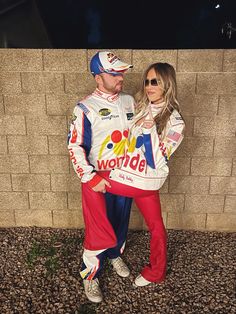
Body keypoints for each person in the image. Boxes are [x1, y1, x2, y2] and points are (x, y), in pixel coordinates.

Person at [86, 62, 185, 288]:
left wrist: (150, 130)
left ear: (167, 85)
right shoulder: (141, 106)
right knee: (157, 226)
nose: (149, 87)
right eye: (147, 81)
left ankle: (104, 244)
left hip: (145, 181)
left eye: (156, 82)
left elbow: (157, 159)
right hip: (128, 175)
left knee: (91, 181)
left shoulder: (175, 121)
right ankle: (147, 267)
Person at [67, 51, 135, 303]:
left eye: (121, 72)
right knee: (98, 230)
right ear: (98, 77)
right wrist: (90, 177)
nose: (121, 77)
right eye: (114, 73)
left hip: (125, 176)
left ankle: (115, 253)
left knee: (120, 221)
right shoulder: (85, 107)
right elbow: (74, 146)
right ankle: (90, 274)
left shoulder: (129, 100)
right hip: (97, 179)